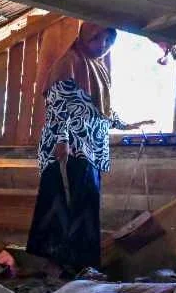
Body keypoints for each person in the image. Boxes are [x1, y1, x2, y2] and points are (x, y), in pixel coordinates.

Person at [26, 23, 153, 273]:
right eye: (98, 39)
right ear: (85, 36)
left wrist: (127, 125)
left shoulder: (97, 68)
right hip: (68, 149)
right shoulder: (69, 63)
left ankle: (79, 266)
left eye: (109, 42)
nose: (103, 46)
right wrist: (62, 140)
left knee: (85, 204)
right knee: (61, 204)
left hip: (89, 149)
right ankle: (57, 265)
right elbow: (58, 106)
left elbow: (100, 110)